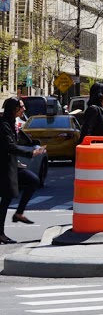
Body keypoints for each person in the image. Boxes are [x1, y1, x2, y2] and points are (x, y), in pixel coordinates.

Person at [1, 97, 45, 240]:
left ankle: (19, 213)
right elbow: (9, 147)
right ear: (14, 109)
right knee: (6, 199)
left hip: (11, 164)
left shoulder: (13, 122)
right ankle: (0, 234)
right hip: (3, 167)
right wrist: (31, 153)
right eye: (21, 106)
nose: (24, 109)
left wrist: (18, 162)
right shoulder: (4, 125)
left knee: (33, 180)